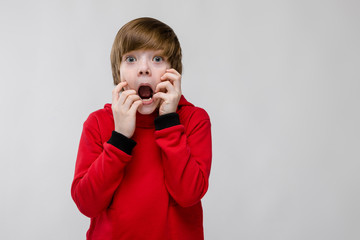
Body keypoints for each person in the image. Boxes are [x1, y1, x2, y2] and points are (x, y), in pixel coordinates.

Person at [71, 17, 212, 240]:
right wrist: (119, 138)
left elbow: (189, 195)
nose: (144, 69)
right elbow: (87, 204)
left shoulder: (194, 119)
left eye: (157, 59)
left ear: (173, 71)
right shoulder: (98, 123)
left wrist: (169, 122)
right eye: (131, 59)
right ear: (118, 73)